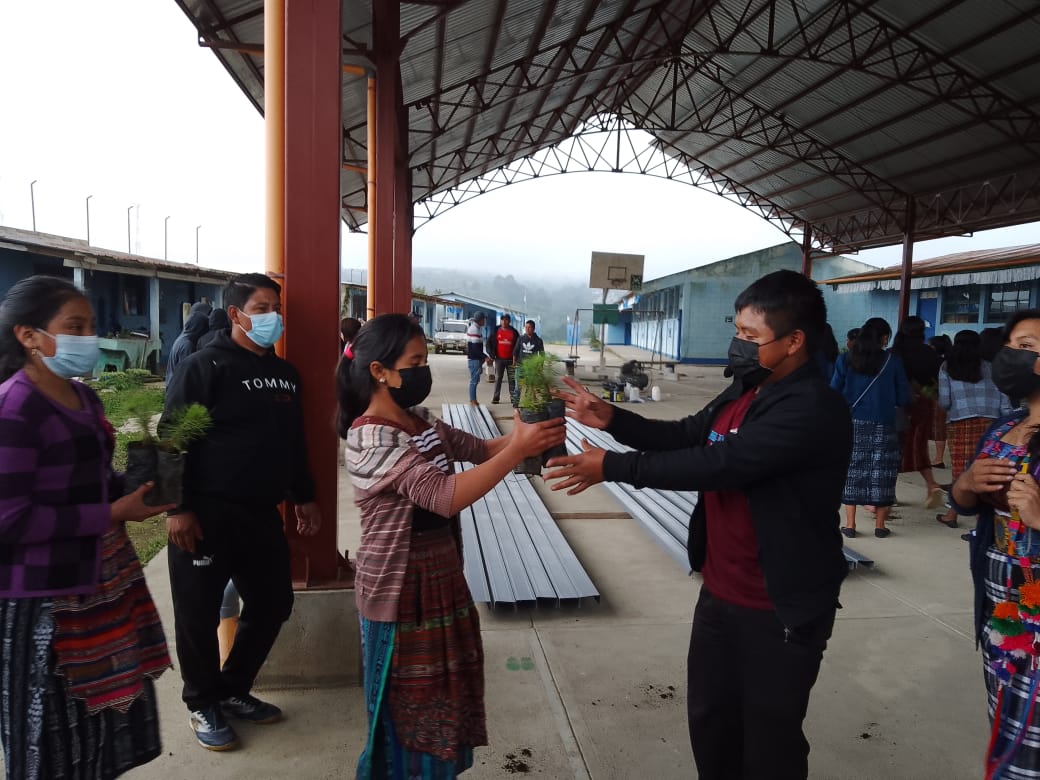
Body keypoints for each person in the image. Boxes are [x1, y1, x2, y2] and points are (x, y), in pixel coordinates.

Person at [544, 269, 851, 780]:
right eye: (738, 332)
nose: (737, 345)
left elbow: (722, 465)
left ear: (795, 341)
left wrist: (614, 467)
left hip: (777, 606)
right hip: (722, 593)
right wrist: (614, 419)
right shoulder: (743, 392)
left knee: (769, 743)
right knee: (712, 724)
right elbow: (689, 436)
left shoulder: (812, 407)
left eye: (751, 337)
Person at [339, 314, 565, 778]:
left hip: (442, 580)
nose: (423, 370)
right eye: (416, 361)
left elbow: (482, 450)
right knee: (407, 707)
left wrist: (528, 431)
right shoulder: (369, 436)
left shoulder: (418, 419)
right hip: (400, 592)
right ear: (379, 371)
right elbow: (443, 496)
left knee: (446, 693)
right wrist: (518, 452)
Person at [0, 275, 175, 779]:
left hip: (103, 584)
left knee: (102, 733)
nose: (87, 337)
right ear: (28, 336)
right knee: (53, 744)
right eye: (73, 326)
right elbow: (10, 520)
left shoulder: (84, 398)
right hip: (45, 600)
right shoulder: (15, 408)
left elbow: (93, 480)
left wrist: (138, 484)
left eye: (90, 325)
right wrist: (113, 514)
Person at [163, 272, 322, 752]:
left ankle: (232, 689)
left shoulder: (285, 375)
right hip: (205, 516)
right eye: (261, 308)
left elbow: (294, 442)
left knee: (274, 603)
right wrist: (177, 508)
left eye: (275, 307)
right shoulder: (204, 366)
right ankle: (201, 702)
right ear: (234, 314)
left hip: (260, 514)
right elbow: (171, 438)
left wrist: (304, 494)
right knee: (197, 614)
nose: (272, 316)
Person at [951, 309, 1040, 777]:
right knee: (1006, 718)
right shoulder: (1003, 428)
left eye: (1027, 348)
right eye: (1013, 346)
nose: (1012, 357)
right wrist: (967, 483)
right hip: (1000, 602)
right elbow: (964, 501)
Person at [831, 319, 910, 538]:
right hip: (884, 424)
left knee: (852, 470)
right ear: (884, 337)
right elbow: (903, 397)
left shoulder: (844, 360)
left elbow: (833, 392)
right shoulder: (892, 362)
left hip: (852, 423)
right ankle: (880, 526)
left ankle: (850, 524)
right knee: (882, 470)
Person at [935, 330, 1008, 528]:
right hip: (990, 422)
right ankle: (979, 524)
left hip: (959, 423)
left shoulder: (946, 367)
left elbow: (945, 401)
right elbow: (1005, 400)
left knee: (960, 470)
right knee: (984, 469)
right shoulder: (991, 367)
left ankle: (952, 515)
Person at [892, 316, 945, 508]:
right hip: (923, 404)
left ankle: (890, 493)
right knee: (918, 445)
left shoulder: (894, 353)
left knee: (894, 448)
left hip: (898, 406)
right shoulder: (929, 354)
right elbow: (938, 380)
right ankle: (931, 485)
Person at [166, 309, 210, 384]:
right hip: (178, 389)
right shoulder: (187, 345)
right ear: (199, 329)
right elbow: (188, 373)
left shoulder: (182, 338)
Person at [929, 334, 953, 469]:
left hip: (938, 397)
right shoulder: (949, 361)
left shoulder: (937, 362)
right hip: (948, 398)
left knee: (939, 428)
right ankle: (938, 458)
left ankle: (938, 458)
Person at [487, 314, 520, 405]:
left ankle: (513, 399)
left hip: (511, 360)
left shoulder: (514, 332)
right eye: (502, 320)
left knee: (512, 380)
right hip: (499, 360)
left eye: (506, 320)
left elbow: (518, 346)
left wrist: (516, 358)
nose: (504, 322)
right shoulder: (495, 331)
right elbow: (489, 343)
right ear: (500, 321)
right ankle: (496, 397)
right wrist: (491, 355)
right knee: (498, 379)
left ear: (509, 321)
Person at [466, 312, 488, 407]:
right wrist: (485, 357)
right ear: (480, 320)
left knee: (475, 380)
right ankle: (472, 400)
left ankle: (473, 399)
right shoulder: (474, 330)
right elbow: (475, 348)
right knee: (474, 381)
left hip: (476, 359)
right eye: (484, 319)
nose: (485, 321)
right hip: (474, 359)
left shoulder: (476, 329)